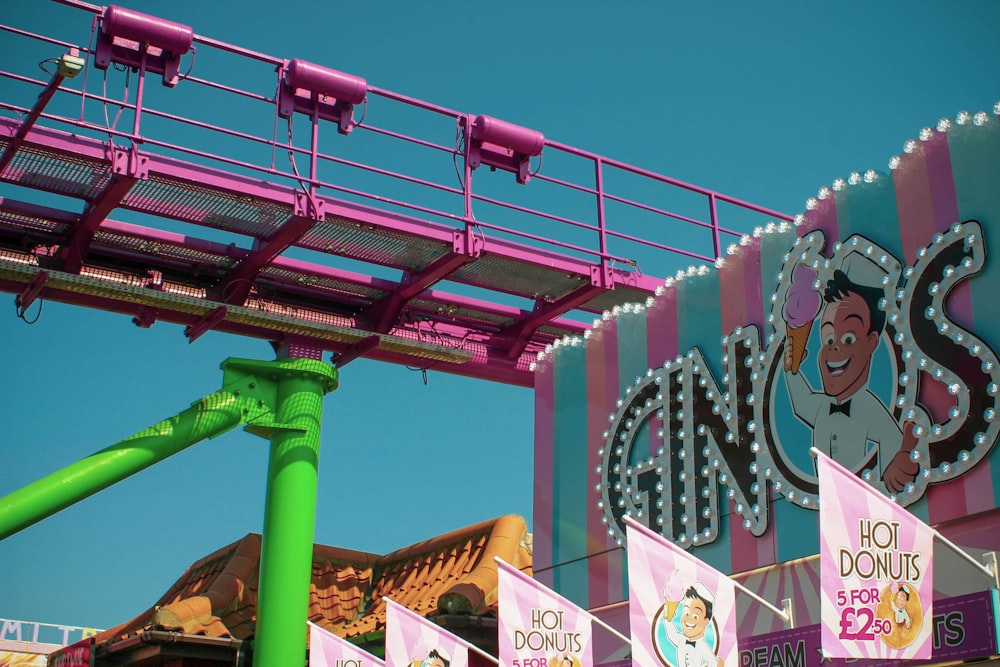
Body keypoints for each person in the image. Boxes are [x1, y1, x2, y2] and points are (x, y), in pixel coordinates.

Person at [783, 269, 919, 493]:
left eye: (848, 338)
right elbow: (800, 401)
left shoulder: (871, 410)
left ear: (871, 342)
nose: (834, 347)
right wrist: (790, 371)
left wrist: (898, 467)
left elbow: (892, 443)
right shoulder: (820, 407)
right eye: (828, 339)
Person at [662, 583, 724, 667]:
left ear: (706, 621)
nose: (689, 619)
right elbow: (671, 634)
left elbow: (713, 663)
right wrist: (667, 619)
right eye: (686, 613)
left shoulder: (702, 646)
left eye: (695, 616)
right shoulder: (682, 640)